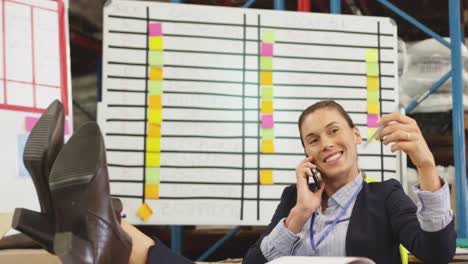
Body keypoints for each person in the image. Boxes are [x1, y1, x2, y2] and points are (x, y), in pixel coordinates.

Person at [242, 100, 456, 264]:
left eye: (334, 131)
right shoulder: (294, 198)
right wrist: (299, 214)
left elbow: (438, 253)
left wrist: (426, 165)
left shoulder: (385, 195)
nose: (326, 144)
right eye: (313, 140)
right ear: (307, 153)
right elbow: (253, 262)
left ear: (355, 135)